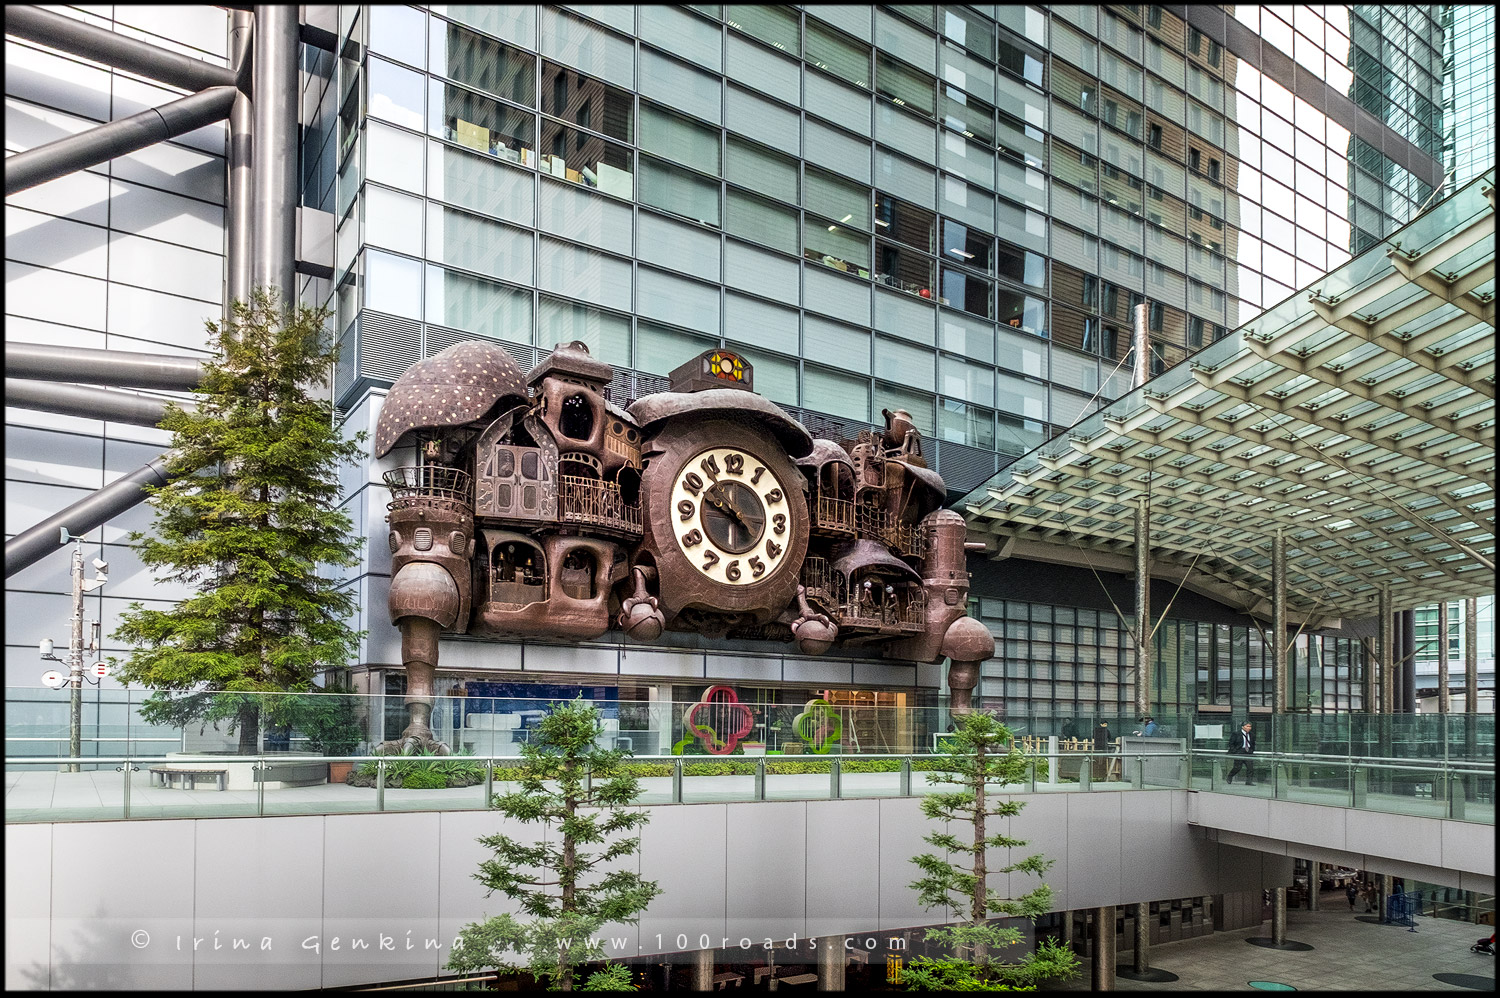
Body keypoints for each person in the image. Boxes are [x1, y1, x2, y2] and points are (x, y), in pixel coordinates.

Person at [1226, 721, 1256, 785]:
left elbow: (1253, 744)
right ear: (1243, 727)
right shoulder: (1236, 734)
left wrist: (1251, 750)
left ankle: (1249, 781)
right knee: (1237, 767)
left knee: (1250, 767)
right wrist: (1234, 751)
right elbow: (1231, 743)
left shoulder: (1252, 734)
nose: (1249, 728)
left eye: (1250, 726)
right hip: (1239, 751)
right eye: (1247, 726)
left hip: (1248, 752)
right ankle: (1230, 776)